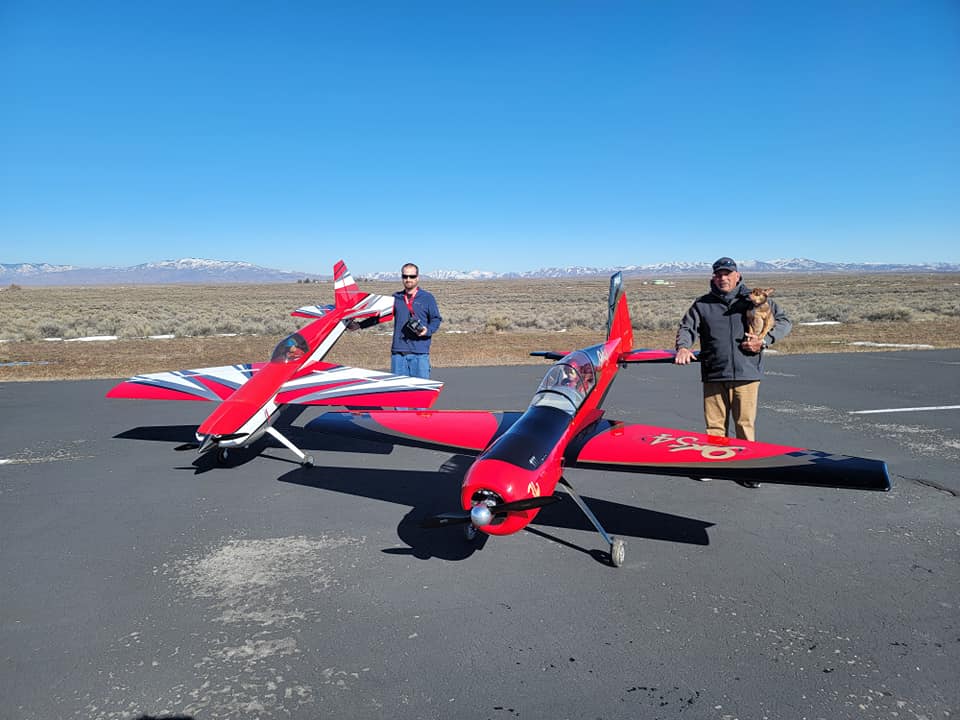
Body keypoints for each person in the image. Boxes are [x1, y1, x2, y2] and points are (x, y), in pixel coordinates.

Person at [674, 257, 792, 485]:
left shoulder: (754, 298)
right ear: (713, 277)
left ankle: (747, 470)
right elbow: (687, 327)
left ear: (737, 275)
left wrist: (764, 341)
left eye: (727, 274)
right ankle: (715, 465)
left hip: (746, 371)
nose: (723, 278)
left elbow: (784, 321)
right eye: (719, 274)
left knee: (744, 424)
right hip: (714, 371)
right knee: (715, 425)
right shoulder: (703, 304)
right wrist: (683, 347)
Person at [391, 262, 442, 379]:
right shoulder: (395, 297)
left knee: (420, 390)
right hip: (398, 354)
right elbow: (379, 316)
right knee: (399, 390)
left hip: (420, 353)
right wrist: (359, 325)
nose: (408, 279)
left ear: (417, 278)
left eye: (412, 276)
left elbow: (436, 319)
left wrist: (427, 330)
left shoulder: (427, 298)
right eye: (405, 276)